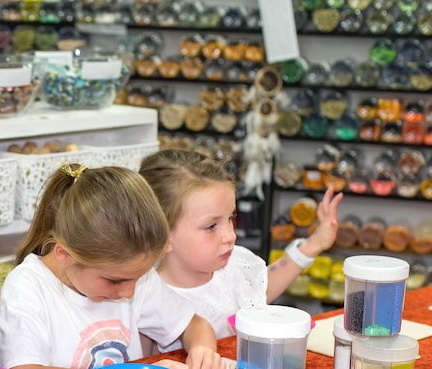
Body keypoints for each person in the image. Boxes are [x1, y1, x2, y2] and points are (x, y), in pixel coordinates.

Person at [0, 163, 226, 369]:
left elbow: (194, 324)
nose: (129, 292)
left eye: (138, 277)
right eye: (114, 281)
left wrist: (203, 352)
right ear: (64, 255)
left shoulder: (131, 273)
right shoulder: (28, 286)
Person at [139, 149, 343, 348]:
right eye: (211, 226)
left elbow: (260, 290)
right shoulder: (147, 299)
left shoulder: (235, 266)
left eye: (230, 218)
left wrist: (315, 244)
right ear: (161, 234)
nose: (230, 235)